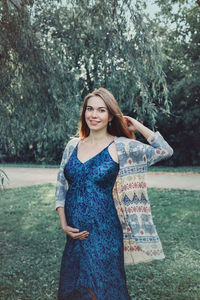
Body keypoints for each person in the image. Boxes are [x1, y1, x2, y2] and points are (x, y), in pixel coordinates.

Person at [55, 88, 173, 300]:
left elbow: (165, 151)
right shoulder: (72, 146)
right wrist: (63, 224)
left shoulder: (121, 146)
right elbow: (61, 187)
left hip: (105, 233)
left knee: (105, 289)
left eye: (101, 110)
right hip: (75, 235)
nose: (94, 115)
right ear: (84, 113)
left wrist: (136, 125)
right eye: (89, 109)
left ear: (110, 116)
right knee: (72, 288)